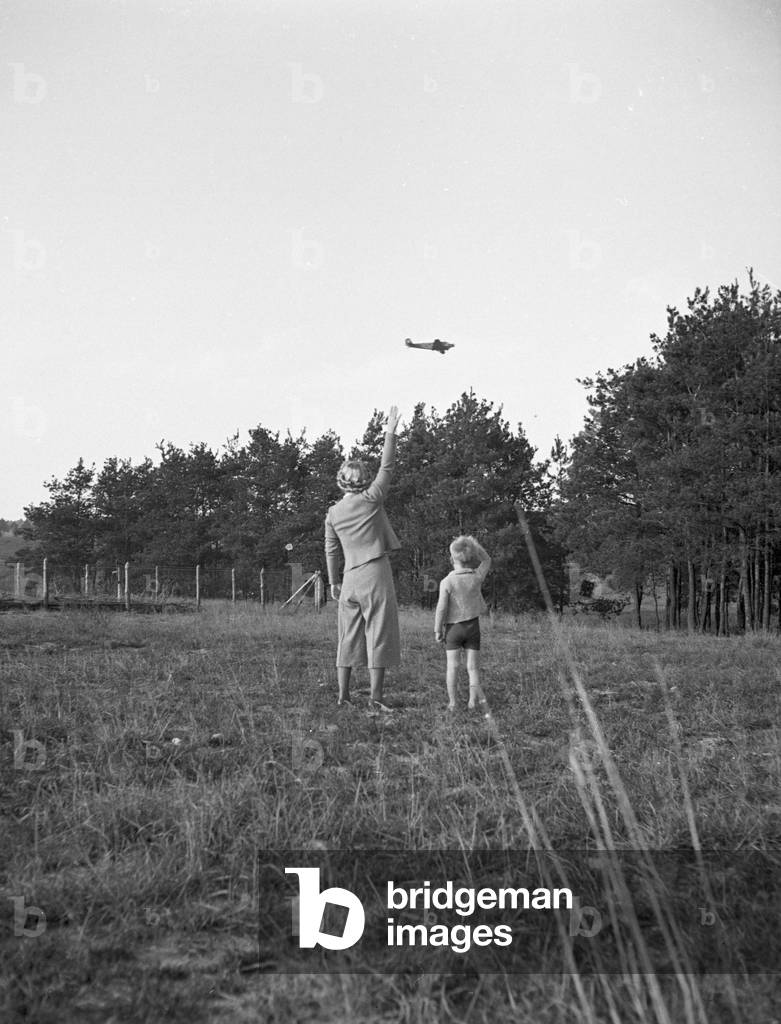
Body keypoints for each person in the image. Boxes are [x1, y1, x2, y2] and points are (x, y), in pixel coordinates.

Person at [325, 405, 402, 711]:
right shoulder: (372, 499)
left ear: (341, 480)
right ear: (363, 481)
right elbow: (387, 467)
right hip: (375, 573)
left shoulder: (332, 513)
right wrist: (391, 433)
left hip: (348, 580)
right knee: (378, 633)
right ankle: (376, 697)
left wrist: (333, 582)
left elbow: (331, 550)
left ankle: (343, 696)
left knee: (347, 636)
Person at [434, 536, 491, 711]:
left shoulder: (447, 581)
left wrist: (438, 629)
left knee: (452, 667)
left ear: (452, 559)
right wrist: (474, 545)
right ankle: (473, 702)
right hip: (473, 627)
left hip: (453, 629)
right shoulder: (476, 576)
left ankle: (453, 702)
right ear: (472, 557)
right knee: (473, 668)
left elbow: (441, 608)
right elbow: (487, 559)